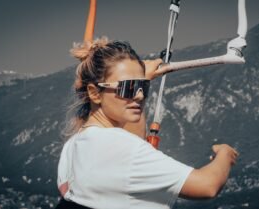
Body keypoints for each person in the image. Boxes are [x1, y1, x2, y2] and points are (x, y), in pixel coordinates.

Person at [56, 37, 239, 209]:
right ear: (95, 93)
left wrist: (139, 78)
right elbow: (207, 185)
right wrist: (225, 155)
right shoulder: (120, 147)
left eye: (143, 87)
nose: (140, 95)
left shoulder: (73, 146)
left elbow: (132, 149)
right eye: (128, 87)